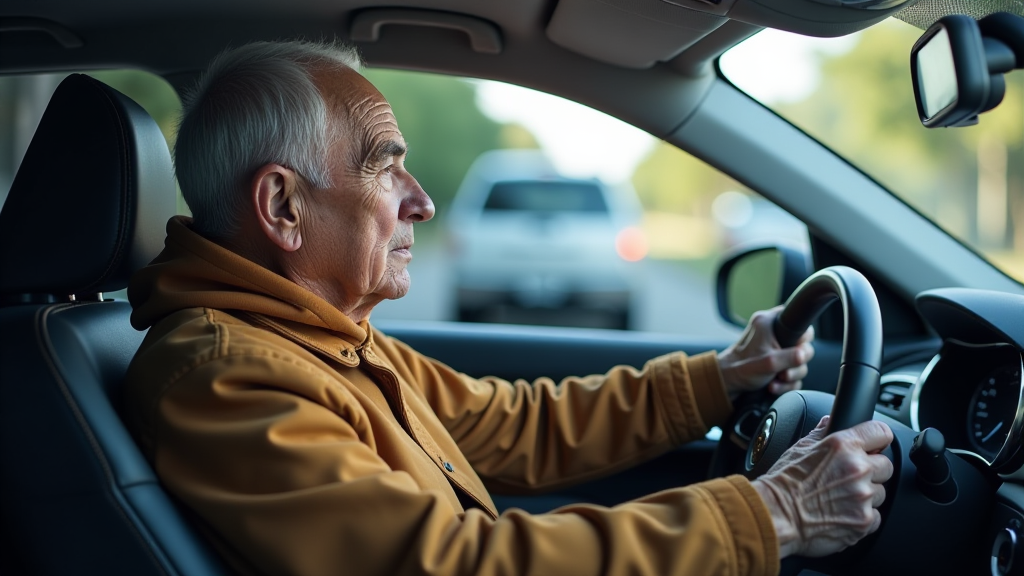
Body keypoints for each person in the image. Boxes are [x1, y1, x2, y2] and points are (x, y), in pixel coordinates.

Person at [123, 40, 894, 576]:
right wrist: (776, 516)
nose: (421, 202)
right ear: (283, 206)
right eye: (386, 171)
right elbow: (450, 566)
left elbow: (511, 424)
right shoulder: (226, 377)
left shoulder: (316, 336)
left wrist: (721, 377)